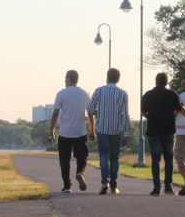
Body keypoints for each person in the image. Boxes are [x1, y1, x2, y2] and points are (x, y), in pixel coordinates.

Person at [141, 72, 185, 196]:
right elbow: (180, 109)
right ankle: (168, 187)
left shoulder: (148, 95)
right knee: (168, 159)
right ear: (166, 82)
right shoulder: (172, 94)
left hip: (153, 131)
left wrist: (150, 117)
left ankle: (156, 188)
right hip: (168, 131)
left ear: (156, 81)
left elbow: (143, 112)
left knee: (155, 159)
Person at [49, 70, 95, 192]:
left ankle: (67, 186)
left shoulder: (61, 94)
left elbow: (55, 114)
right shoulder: (84, 93)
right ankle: (80, 173)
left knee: (64, 160)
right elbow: (90, 113)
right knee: (82, 156)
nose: (64, 81)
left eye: (65, 78)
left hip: (65, 132)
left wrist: (52, 131)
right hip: (80, 131)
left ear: (69, 79)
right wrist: (92, 130)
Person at [89, 67, 130, 195]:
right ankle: (113, 185)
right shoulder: (123, 93)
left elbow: (90, 109)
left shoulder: (99, 90)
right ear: (118, 79)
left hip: (102, 129)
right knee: (114, 158)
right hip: (116, 130)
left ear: (107, 77)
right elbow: (125, 114)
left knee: (103, 156)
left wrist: (99, 113)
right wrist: (126, 133)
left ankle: (104, 182)